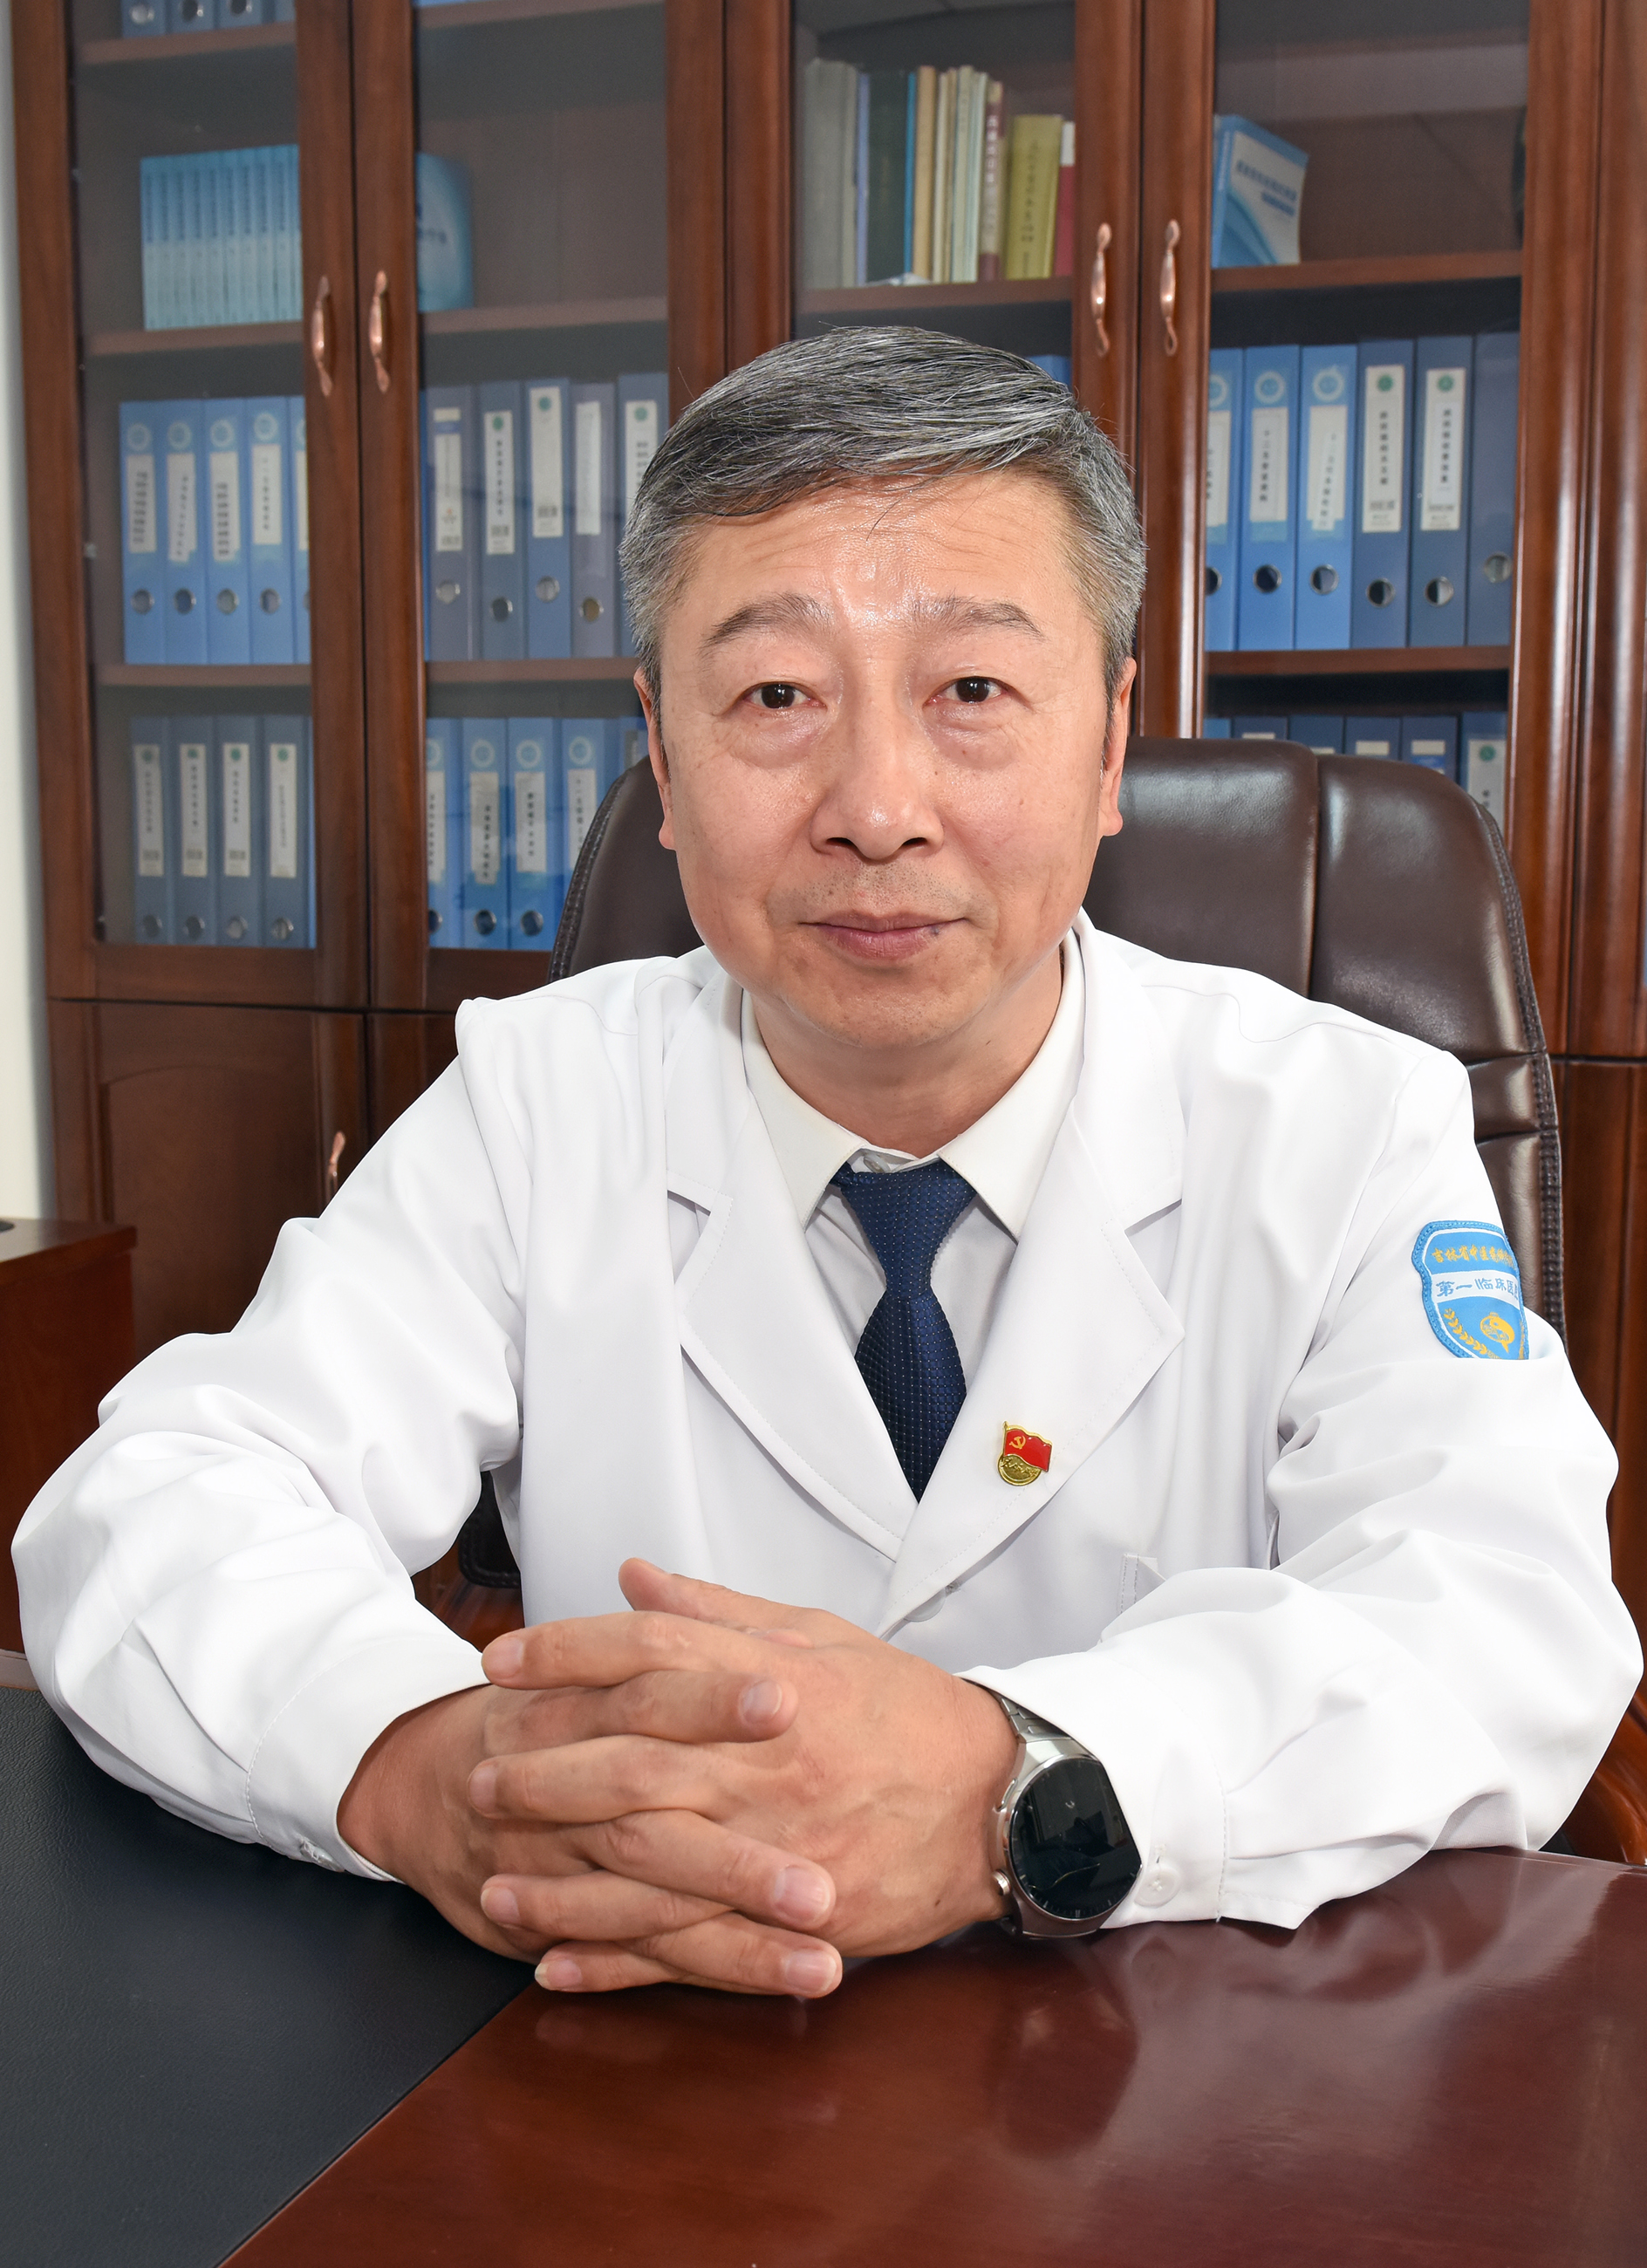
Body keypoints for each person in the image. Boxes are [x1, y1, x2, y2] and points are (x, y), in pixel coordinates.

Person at [16, 329, 1639, 2002]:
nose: (878, 806)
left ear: (1108, 746)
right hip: (651, 2067)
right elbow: (157, 1506)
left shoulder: (1344, 1124)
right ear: (663, 758)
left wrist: (1017, 1786)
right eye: (777, 696)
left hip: (1191, 2071)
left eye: (973, 693)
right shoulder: (542, 1102)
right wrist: (419, 1765)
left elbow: (1498, 1615)